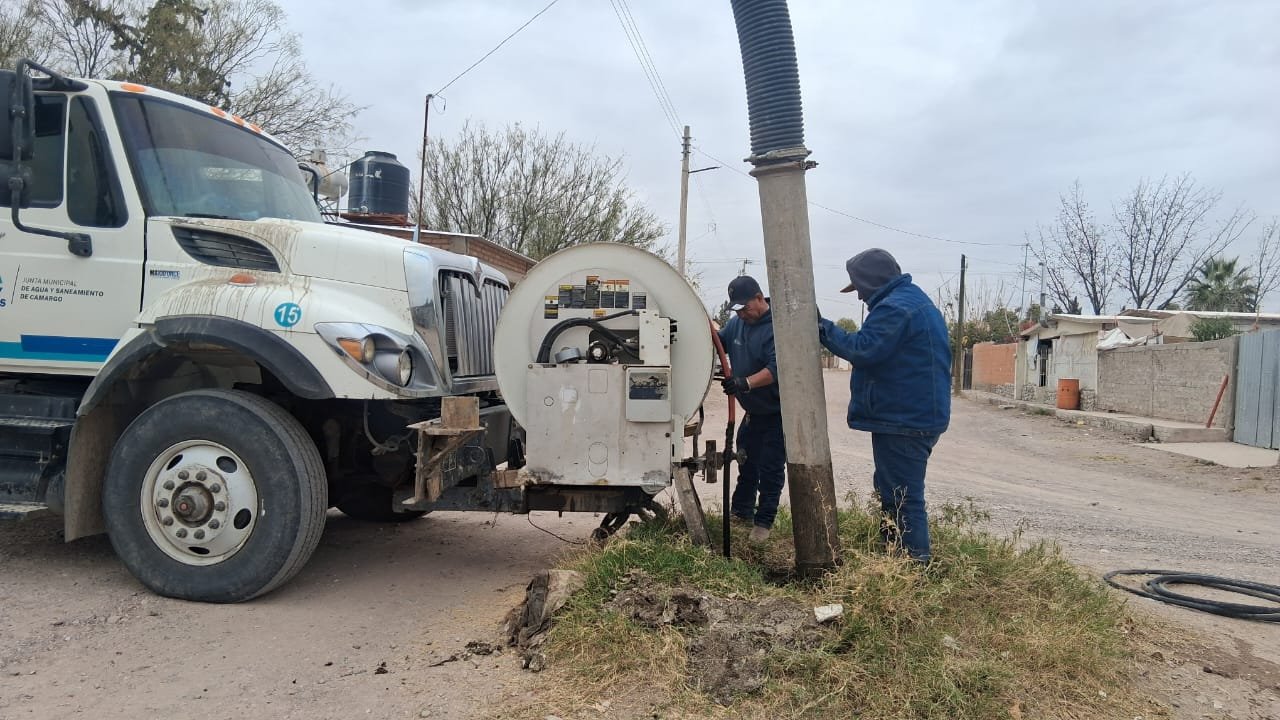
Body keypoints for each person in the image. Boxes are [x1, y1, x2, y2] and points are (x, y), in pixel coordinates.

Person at [818, 249, 951, 563]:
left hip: (905, 419)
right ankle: (893, 555)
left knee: (904, 499)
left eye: (859, 287)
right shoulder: (910, 301)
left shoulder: (896, 308)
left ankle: (914, 567)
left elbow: (864, 349)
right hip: (909, 416)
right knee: (893, 492)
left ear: (872, 281)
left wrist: (821, 326)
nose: (860, 296)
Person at [717, 275, 785, 544]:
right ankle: (740, 513)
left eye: (745, 308)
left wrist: (744, 383)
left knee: (770, 469)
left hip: (776, 412)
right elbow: (718, 342)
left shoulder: (777, 328)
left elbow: (776, 368)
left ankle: (763, 524)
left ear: (759, 298)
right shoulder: (737, 324)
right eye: (737, 309)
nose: (742, 314)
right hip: (752, 413)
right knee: (746, 462)